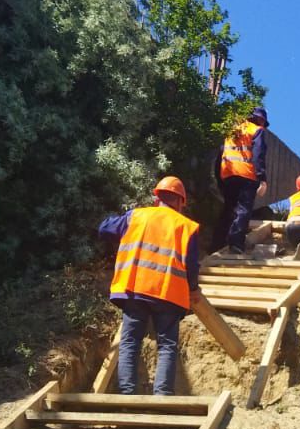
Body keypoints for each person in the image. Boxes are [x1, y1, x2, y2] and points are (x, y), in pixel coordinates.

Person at [97, 176, 203, 396]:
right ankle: (162, 395)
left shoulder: (137, 216)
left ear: (157, 198)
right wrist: (193, 289)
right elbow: (191, 266)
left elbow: (104, 229)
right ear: (181, 202)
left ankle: (127, 394)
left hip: (134, 291)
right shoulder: (186, 227)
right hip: (168, 295)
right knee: (167, 346)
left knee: (130, 342)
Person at [212, 107, 269, 254]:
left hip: (228, 175)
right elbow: (258, 155)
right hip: (247, 175)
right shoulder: (257, 131)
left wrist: (220, 179)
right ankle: (236, 243)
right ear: (260, 119)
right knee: (243, 210)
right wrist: (262, 179)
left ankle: (216, 244)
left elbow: (220, 155)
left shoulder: (233, 130)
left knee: (228, 209)